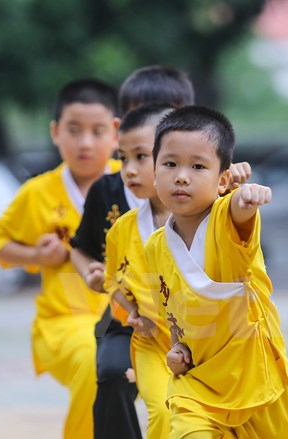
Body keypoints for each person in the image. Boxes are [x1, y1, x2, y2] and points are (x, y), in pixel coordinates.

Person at [145, 106, 288, 438]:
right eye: (170, 164)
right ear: (154, 172)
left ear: (222, 179)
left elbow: (239, 211)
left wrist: (247, 197)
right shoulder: (155, 247)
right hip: (197, 387)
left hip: (257, 383)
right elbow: (175, 316)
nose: (182, 176)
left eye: (198, 166)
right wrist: (178, 350)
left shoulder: (226, 220)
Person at [0, 79, 120, 439]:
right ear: (56, 132)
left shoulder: (133, 184)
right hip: (64, 323)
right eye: (74, 130)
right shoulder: (38, 193)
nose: (86, 142)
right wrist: (36, 255)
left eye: (97, 130)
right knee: (95, 362)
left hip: (129, 317)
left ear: (116, 132)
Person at [70, 65, 197, 439]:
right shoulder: (108, 192)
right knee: (111, 374)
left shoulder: (201, 189)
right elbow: (81, 249)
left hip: (192, 322)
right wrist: (93, 272)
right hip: (129, 317)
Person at [103, 104, 176, 439]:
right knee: (162, 412)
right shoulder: (123, 229)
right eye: (123, 158)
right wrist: (132, 312)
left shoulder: (213, 216)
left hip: (210, 346)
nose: (128, 170)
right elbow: (112, 280)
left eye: (141, 157)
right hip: (154, 346)